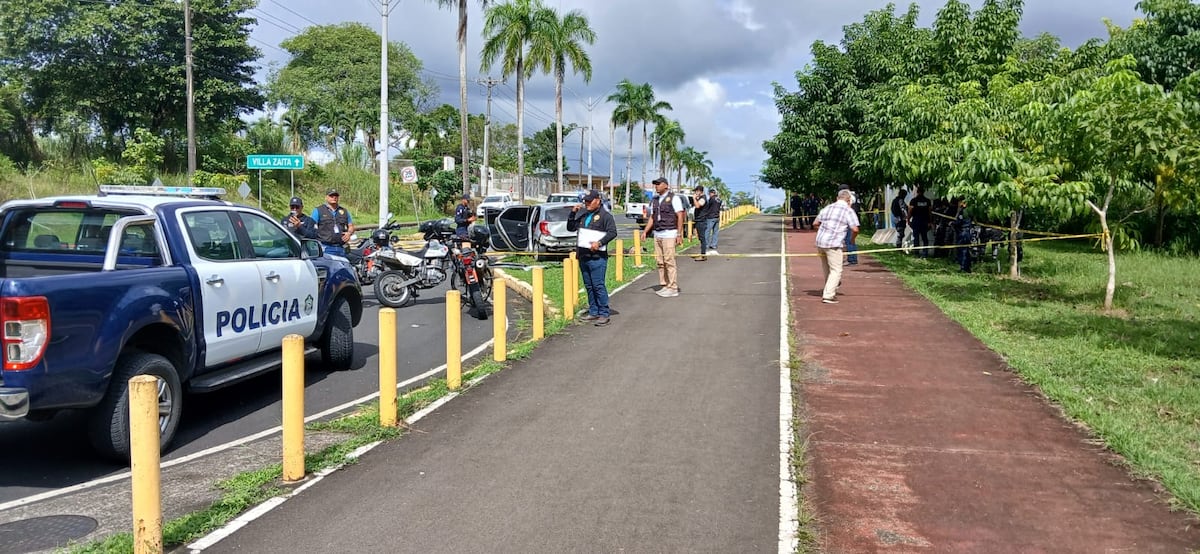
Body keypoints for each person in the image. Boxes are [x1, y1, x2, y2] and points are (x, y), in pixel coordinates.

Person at [566, 190, 619, 326]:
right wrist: (573, 213)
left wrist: (600, 243)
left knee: (598, 285)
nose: (586, 203)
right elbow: (571, 228)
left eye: (589, 201)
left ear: (598, 200)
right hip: (583, 255)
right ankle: (593, 311)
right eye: (585, 201)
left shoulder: (605, 216)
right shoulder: (584, 215)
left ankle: (604, 313)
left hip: (597, 257)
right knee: (589, 286)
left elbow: (612, 232)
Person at [813, 189, 860, 305]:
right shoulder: (848, 211)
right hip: (833, 244)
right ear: (849, 200)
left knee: (826, 268)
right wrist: (852, 240)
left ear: (837, 198)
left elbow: (815, 223)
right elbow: (855, 229)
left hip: (820, 242)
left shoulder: (827, 208)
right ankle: (828, 295)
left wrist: (824, 232)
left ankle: (830, 287)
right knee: (836, 270)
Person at [641, 177, 685, 297]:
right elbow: (652, 217)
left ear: (666, 185)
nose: (656, 186)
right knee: (660, 261)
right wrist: (645, 231)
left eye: (658, 184)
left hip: (669, 233)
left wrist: (679, 233)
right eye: (655, 184)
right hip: (658, 233)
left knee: (669, 261)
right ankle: (665, 285)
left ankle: (673, 287)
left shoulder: (674, 198)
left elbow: (680, 215)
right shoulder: (655, 200)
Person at [312, 189, 354, 256]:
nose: (334, 197)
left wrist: (349, 233)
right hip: (325, 247)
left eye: (336, 196)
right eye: (331, 195)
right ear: (326, 197)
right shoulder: (318, 210)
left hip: (341, 247)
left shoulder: (344, 211)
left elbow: (351, 226)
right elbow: (312, 227)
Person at [908, 186, 933, 258]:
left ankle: (916, 253)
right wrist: (930, 221)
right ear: (923, 192)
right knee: (924, 237)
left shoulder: (914, 200)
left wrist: (908, 219)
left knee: (916, 238)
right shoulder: (927, 201)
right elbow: (929, 212)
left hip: (916, 220)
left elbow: (910, 211)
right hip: (925, 221)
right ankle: (925, 253)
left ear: (917, 192)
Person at [838, 184, 859, 265]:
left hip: (850, 220)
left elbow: (847, 208)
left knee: (849, 240)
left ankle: (852, 259)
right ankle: (852, 258)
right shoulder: (854, 195)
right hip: (854, 219)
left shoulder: (849, 197)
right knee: (850, 240)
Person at [691, 185, 710, 260]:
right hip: (699, 220)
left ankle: (703, 255)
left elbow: (698, 206)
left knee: (702, 238)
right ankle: (702, 253)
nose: (695, 193)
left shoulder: (703, 199)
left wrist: (694, 199)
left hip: (702, 221)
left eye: (696, 191)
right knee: (700, 238)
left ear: (700, 191)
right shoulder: (701, 198)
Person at [705, 188, 722, 254]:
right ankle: (714, 244)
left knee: (707, 231)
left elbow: (708, 206)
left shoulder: (711, 199)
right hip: (717, 216)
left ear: (711, 193)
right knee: (715, 232)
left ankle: (706, 244)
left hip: (710, 217)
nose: (709, 195)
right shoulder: (719, 199)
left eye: (709, 193)